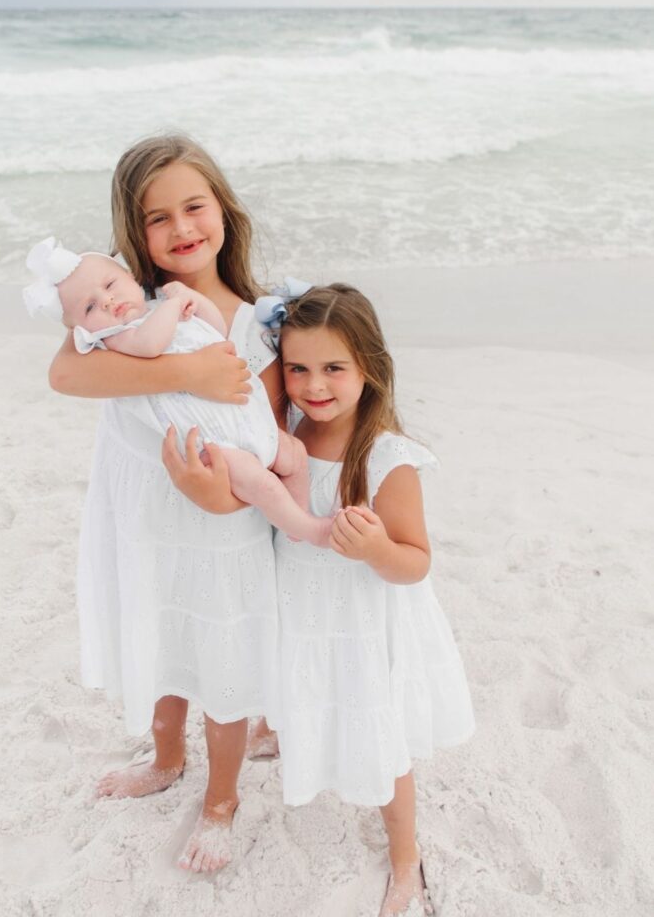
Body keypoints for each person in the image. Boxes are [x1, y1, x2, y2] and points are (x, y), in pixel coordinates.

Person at [46, 134, 283, 873]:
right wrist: (186, 371)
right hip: (149, 518)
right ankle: (165, 757)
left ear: (223, 210)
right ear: (132, 232)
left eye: (194, 206)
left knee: (218, 652)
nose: (181, 229)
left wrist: (215, 495)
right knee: (161, 633)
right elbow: (65, 375)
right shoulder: (120, 308)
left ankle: (221, 798)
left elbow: (264, 437)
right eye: (158, 218)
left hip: (222, 522)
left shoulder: (257, 320)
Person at [261, 283, 475, 917]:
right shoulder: (289, 431)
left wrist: (378, 548)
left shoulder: (386, 458)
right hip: (302, 605)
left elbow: (416, 562)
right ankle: (282, 728)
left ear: (369, 369)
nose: (313, 384)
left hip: (362, 616)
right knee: (302, 684)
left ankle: (404, 858)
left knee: (383, 740)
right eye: (297, 368)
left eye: (333, 368)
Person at [24, 241, 331, 545]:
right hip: (216, 442)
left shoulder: (160, 307)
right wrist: (173, 307)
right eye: (90, 307)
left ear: (131, 278)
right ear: (82, 332)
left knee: (295, 454)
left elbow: (215, 330)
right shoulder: (116, 338)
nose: (106, 300)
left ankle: (295, 522)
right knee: (262, 484)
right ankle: (307, 528)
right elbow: (149, 345)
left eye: (109, 284)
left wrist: (193, 300)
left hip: (247, 420)